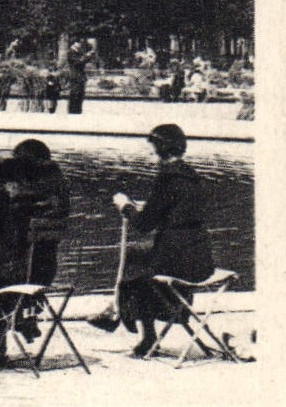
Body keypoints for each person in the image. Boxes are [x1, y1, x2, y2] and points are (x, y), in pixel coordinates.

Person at [89, 124, 216, 357]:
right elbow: (175, 211)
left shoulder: (167, 179)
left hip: (177, 261)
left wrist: (124, 206)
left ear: (159, 149)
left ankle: (135, 327)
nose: (149, 155)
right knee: (138, 261)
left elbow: (144, 225)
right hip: (201, 258)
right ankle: (120, 313)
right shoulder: (193, 176)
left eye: (151, 149)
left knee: (134, 266)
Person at [0, 139, 71, 368]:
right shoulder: (58, 191)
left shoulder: (8, 192)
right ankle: (26, 321)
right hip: (42, 273)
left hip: (12, 273)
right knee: (12, 271)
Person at [63, 39, 89, 115]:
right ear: (74, 43)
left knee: (80, 94)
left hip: (80, 76)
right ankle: (73, 111)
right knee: (75, 94)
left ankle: (78, 110)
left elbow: (82, 61)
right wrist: (86, 56)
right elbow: (78, 62)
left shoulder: (79, 52)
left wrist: (87, 56)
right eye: (79, 43)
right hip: (75, 76)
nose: (80, 45)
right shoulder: (71, 52)